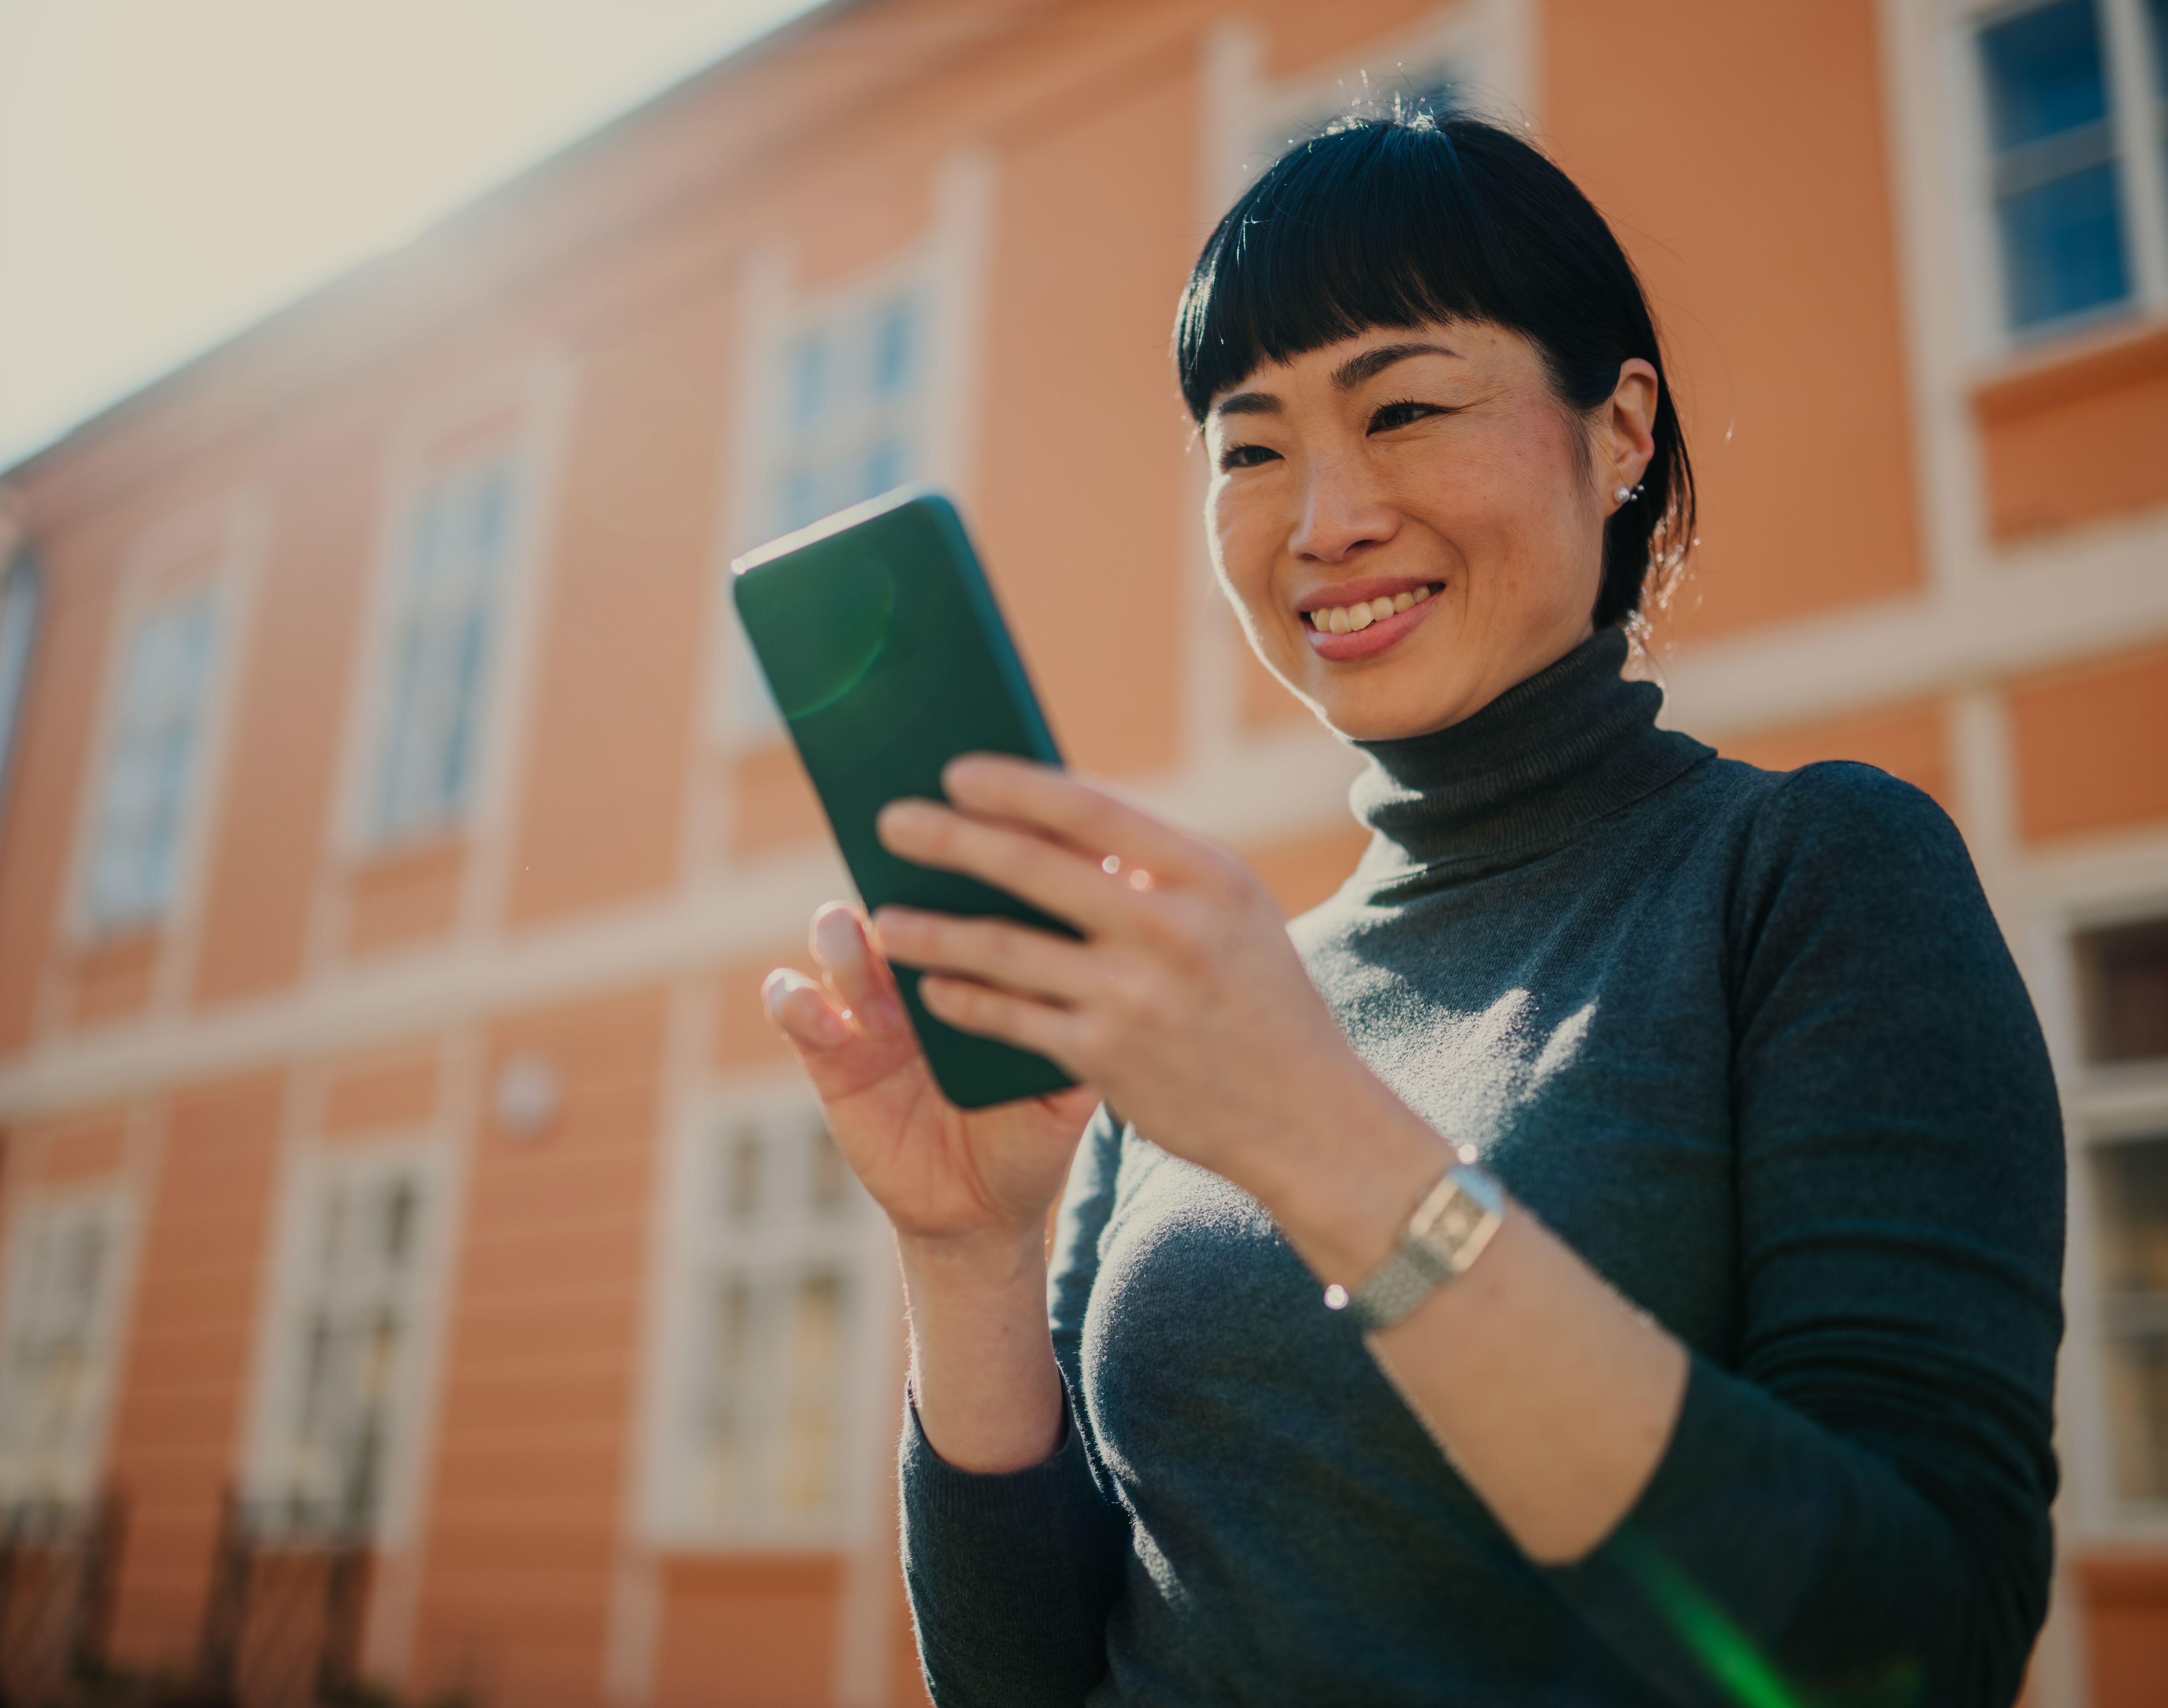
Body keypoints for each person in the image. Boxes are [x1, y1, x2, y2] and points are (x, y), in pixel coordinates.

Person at [761, 115, 2062, 1707]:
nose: (1323, 521)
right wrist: (969, 1256)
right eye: (1251, 448)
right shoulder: (1197, 1022)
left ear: (1622, 430)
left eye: (1408, 409)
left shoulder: (1806, 877)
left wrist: (1324, 1142)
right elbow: (1028, 1685)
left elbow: (1919, 1647)